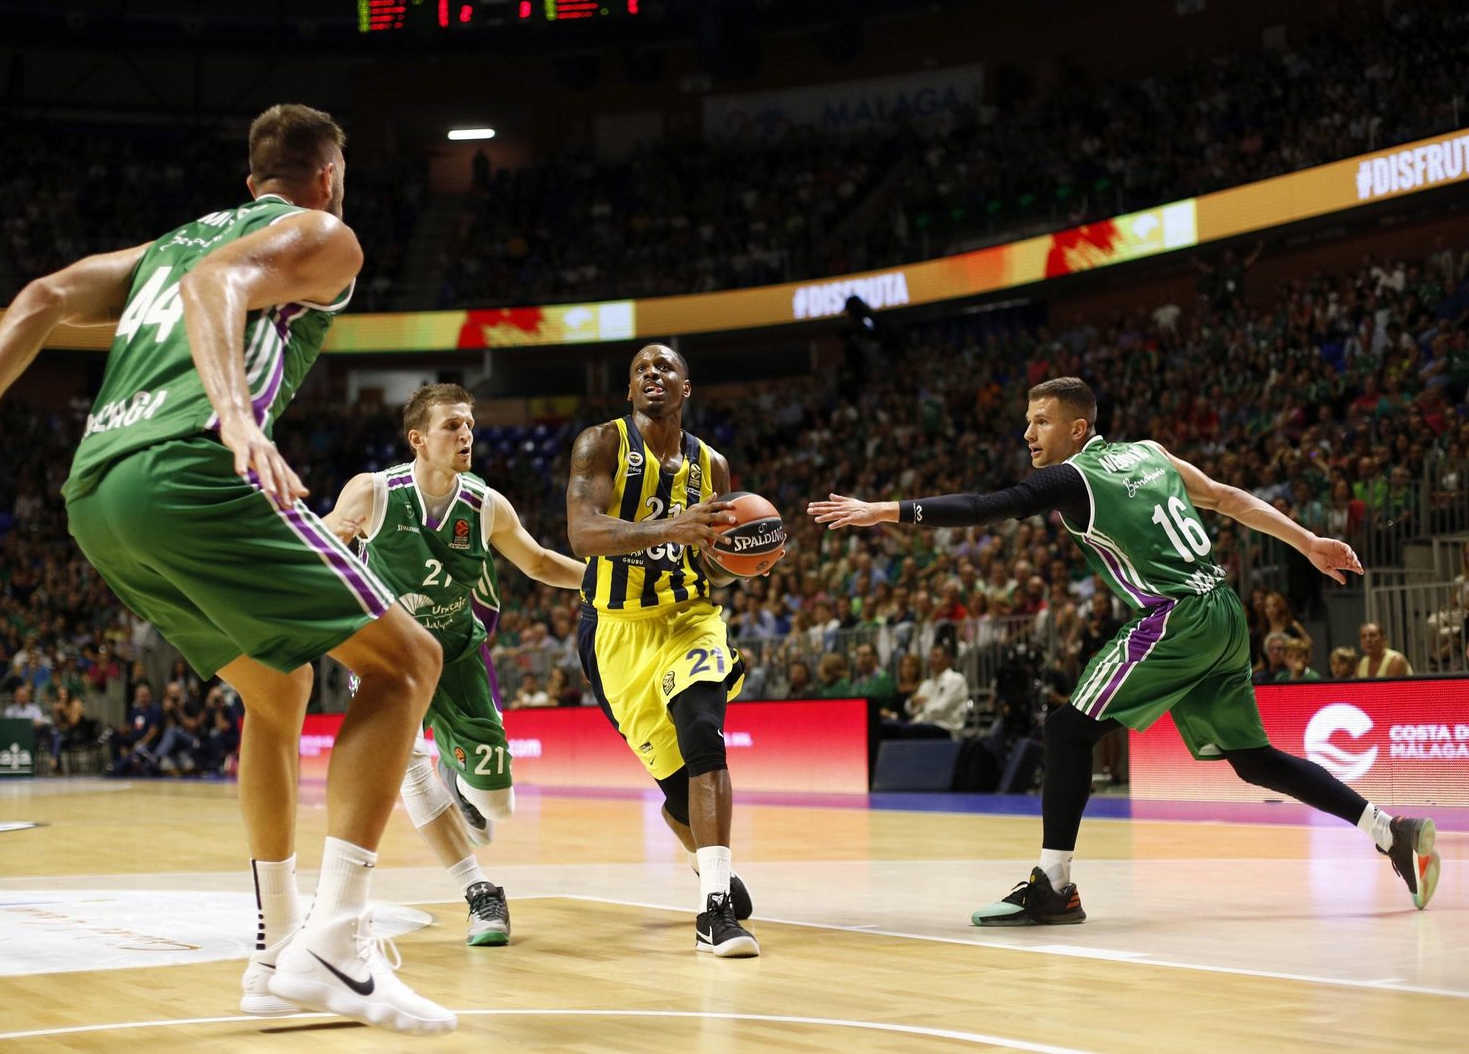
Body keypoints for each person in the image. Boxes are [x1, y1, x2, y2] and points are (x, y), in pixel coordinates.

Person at [0, 104, 455, 1035]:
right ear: (328, 178)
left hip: (96, 494)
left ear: (250, 180)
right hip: (189, 470)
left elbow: (40, 296)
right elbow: (218, 282)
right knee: (409, 662)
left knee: (277, 690)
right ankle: (339, 944)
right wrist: (236, 413)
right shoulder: (323, 235)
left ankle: (275, 951)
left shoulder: (166, 245)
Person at [809, 376, 1440, 924]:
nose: (1028, 434)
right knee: (1253, 759)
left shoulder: (1072, 477)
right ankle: (1391, 831)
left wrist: (886, 509)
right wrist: (1308, 542)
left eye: (1041, 422)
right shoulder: (1150, 452)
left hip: (1176, 616)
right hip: (1223, 609)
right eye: (1026, 422)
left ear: (1077, 428)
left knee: (1067, 729)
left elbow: (988, 507)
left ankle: (1053, 886)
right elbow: (1227, 499)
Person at [322, 382, 586, 947]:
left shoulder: (486, 504)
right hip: (388, 659)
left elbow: (539, 563)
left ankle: (459, 778)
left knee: (497, 808)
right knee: (405, 768)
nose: (466, 434)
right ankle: (479, 892)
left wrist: (609, 582)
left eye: (469, 424)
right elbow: (321, 547)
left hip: (458, 652)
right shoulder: (373, 493)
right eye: (451, 425)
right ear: (418, 439)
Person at [566, 342, 767, 957]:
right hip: (616, 630)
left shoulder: (713, 466)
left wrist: (747, 561)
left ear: (686, 387)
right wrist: (668, 528)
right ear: (630, 390)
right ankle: (710, 865)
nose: (653, 374)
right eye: (641, 370)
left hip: (689, 618)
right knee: (679, 796)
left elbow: (713, 563)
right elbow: (582, 534)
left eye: (665, 368)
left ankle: (714, 913)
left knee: (704, 732)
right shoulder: (600, 444)